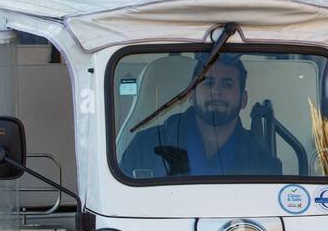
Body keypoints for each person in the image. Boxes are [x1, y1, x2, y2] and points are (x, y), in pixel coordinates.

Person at [120, 54, 281, 179]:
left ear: (243, 99)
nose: (216, 91)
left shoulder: (265, 163)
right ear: (191, 95)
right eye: (208, 83)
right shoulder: (144, 146)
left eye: (227, 84)